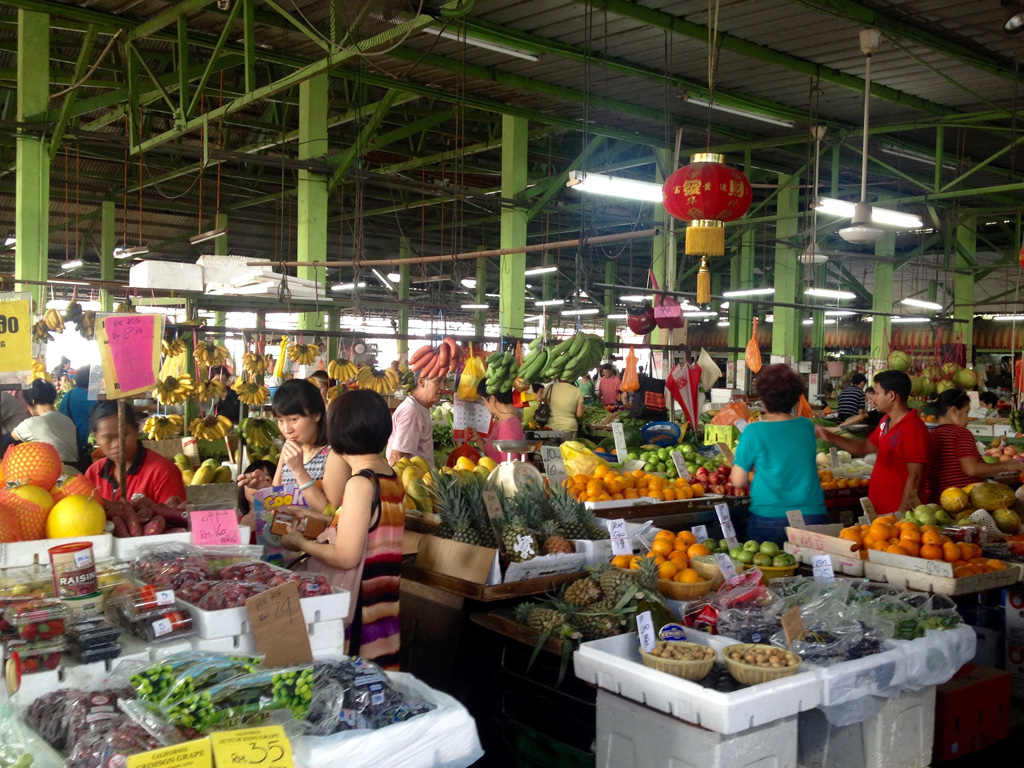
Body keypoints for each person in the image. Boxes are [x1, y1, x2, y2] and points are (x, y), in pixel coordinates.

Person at [282, 390, 403, 668]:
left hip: (360, 607)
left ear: (338, 433)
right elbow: (368, 528)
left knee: (355, 680)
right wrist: (316, 517)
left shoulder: (360, 483)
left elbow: (346, 556)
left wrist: (300, 542)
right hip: (382, 601)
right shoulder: (389, 476)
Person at [730, 365, 827, 545]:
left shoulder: (753, 431)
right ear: (795, 398)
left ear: (763, 399)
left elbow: (738, 480)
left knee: (770, 563)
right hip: (811, 515)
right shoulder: (806, 427)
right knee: (810, 564)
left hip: (769, 517)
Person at [237, 379, 348, 530]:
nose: (286, 429)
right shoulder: (288, 450)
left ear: (316, 415)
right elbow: (279, 501)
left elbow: (329, 515)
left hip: (317, 542)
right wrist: (264, 487)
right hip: (287, 539)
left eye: (293, 419)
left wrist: (299, 471)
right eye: (280, 421)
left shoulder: (334, 454)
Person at [817, 370, 928, 515]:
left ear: (891, 395)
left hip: (899, 515)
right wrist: (831, 436)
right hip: (880, 509)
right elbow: (864, 447)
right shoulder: (885, 421)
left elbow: (916, 477)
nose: (873, 398)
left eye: (876, 393)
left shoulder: (913, 428)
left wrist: (901, 514)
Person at [926, 389, 1024, 500]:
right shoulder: (960, 433)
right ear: (954, 411)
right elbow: (973, 469)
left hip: (938, 501)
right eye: (966, 412)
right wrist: (1006, 465)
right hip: (962, 501)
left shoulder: (931, 435)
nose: (967, 419)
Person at [85, 401, 187, 503]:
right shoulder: (93, 473)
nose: (117, 444)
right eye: (107, 438)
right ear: (97, 438)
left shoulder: (163, 472)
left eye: (124, 434)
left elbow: (174, 511)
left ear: (136, 431)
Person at [9, 380, 79, 466]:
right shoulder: (68, 421)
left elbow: (6, 440)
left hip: (51, 471)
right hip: (74, 470)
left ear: (33, 402)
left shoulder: (33, 423)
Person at [386, 374, 443, 465]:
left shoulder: (420, 408)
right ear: (421, 382)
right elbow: (396, 457)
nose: (443, 387)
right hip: (412, 474)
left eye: (445, 382)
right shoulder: (412, 412)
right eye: (438, 381)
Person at [466, 379, 527, 464]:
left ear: (492, 399)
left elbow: (510, 466)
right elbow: (494, 455)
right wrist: (478, 439)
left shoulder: (507, 426)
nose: (484, 404)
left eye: (483, 400)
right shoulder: (502, 421)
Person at [59, 365, 98, 463]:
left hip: (64, 445)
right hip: (75, 448)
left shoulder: (69, 393)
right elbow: (107, 415)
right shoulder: (88, 397)